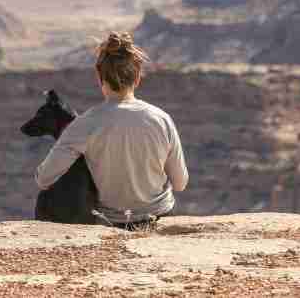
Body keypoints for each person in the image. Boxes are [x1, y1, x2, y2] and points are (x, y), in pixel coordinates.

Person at [35, 31, 188, 228]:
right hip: (160, 217)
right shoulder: (161, 119)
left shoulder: (85, 124)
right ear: (137, 78)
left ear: (100, 77)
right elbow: (180, 183)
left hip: (113, 223)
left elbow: (44, 178)